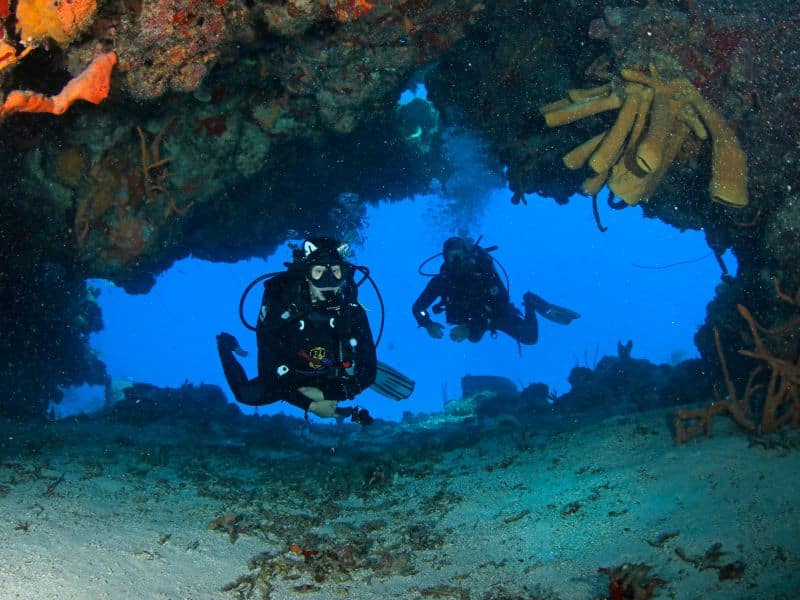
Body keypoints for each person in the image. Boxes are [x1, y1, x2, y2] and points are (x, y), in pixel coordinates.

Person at [216, 237, 377, 425]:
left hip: (328, 375)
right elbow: (269, 374)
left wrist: (327, 394)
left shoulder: (352, 311)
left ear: (344, 275)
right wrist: (311, 405)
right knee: (245, 395)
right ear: (306, 275)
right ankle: (224, 345)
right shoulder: (280, 306)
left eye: (335, 271)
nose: (328, 281)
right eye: (318, 272)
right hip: (287, 376)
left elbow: (368, 372)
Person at [412, 236, 580, 344]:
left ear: (467, 255)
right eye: (452, 256)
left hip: (493, 314)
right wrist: (427, 323)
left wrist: (470, 328)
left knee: (529, 338)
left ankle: (531, 302)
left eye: (460, 255)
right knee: (474, 338)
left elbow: (501, 302)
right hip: (470, 319)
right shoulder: (441, 281)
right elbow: (418, 308)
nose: (456, 260)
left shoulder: (482, 273)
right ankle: (472, 329)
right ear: (445, 258)